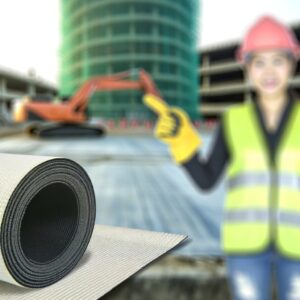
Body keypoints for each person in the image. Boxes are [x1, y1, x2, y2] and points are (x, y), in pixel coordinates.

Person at [143, 15, 300, 300]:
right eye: (259, 62)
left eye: (278, 60)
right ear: (247, 68)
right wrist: (182, 142)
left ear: (292, 63)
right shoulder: (233, 121)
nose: (269, 71)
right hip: (246, 250)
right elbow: (206, 180)